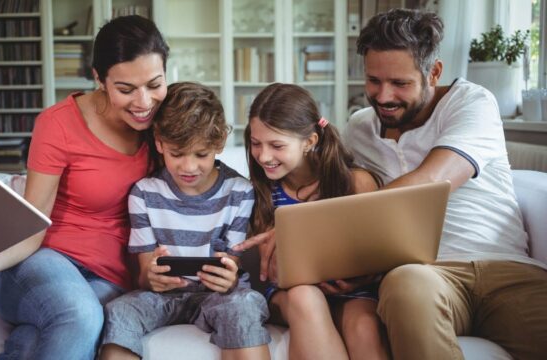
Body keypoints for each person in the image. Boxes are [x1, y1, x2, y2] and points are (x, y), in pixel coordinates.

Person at [0, 15, 169, 359]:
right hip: (41, 262)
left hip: (111, 278)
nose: (144, 102)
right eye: (126, 89)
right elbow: (33, 224)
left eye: (154, 84)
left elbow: (203, 171)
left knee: (35, 341)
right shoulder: (58, 123)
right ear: (99, 79)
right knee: (80, 315)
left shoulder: (164, 121)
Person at [344, 8, 547, 360]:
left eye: (400, 83)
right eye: (374, 80)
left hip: (506, 269)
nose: (384, 96)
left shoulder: (471, 102)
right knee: (405, 285)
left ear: (433, 72)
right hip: (424, 275)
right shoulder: (358, 129)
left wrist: (339, 226)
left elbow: (433, 181)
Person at [99, 82, 271, 360]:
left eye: (201, 154)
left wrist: (229, 278)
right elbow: (144, 274)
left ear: (219, 144)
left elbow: (232, 261)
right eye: (176, 154)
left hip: (220, 296)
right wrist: (151, 278)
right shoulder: (144, 193)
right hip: (163, 298)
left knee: (244, 305)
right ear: (159, 143)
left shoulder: (239, 192)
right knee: (120, 310)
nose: (188, 167)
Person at [233, 83, 389, 360]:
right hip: (289, 293)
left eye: (276, 145)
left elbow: (380, 254)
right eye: (256, 143)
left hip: (351, 291)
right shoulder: (263, 192)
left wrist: (357, 278)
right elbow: (271, 269)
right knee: (306, 296)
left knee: (364, 327)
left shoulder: (355, 182)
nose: (263, 156)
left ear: (310, 142)